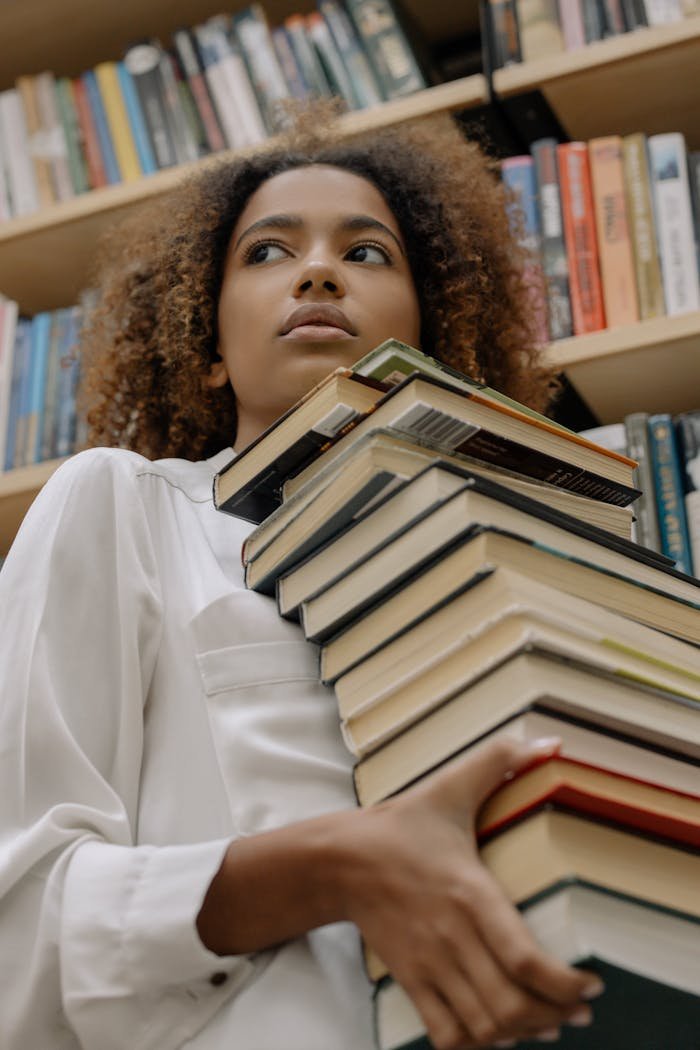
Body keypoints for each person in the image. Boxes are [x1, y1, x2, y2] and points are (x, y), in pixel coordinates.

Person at [0, 109, 603, 1050]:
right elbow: (19, 919)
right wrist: (331, 868)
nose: (319, 271)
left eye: (367, 254)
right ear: (207, 350)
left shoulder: (517, 564)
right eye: (268, 252)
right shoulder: (124, 507)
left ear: (432, 340)